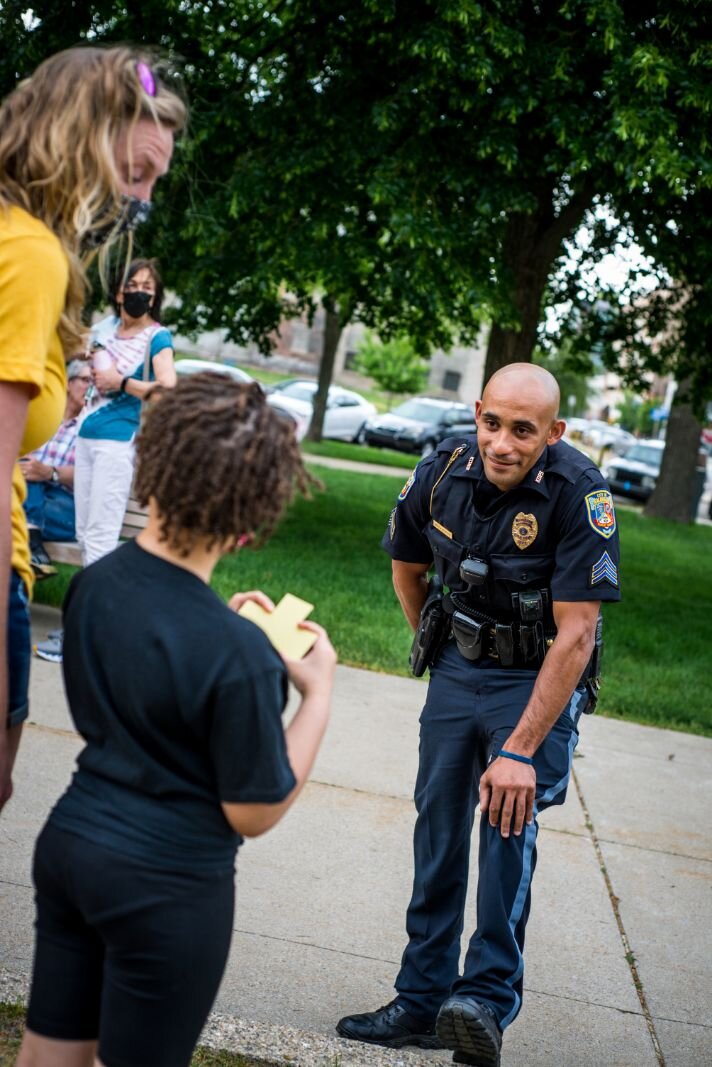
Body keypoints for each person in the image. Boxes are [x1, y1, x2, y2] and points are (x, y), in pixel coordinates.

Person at [17, 373, 336, 1067]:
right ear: (250, 523)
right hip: (166, 885)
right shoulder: (242, 655)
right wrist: (317, 694)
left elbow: (148, 673)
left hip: (71, 845)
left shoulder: (93, 587)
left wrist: (226, 630)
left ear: (151, 466)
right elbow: (253, 809)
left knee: (46, 1058)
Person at [337, 364, 621, 1067]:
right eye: (491, 422)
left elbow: (578, 633)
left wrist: (521, 749)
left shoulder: (578, 492)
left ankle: (484, 1002)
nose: (500, 442)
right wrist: (438, 649)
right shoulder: (441, 470)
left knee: (504, 825)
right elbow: (406, 564)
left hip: (536, 679)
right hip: (459, 671)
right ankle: (421, 999)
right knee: (436, 824)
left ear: (553, 432)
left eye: (522, 430)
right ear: (477, 412)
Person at [0, 45, 185, 813]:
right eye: (134, 172)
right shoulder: (34, 255)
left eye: (152, 184)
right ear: (81, 133)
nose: (136, 200)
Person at [75, 257, 176, 568]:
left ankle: (96, 614)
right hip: (85, 432)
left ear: (155, 296)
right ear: (118, 294)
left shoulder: (157, 337)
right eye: (131, 286)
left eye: (146, 287)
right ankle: (85, 610)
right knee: (83, 533)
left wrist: (122, 382)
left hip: (117, 440)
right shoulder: (103, 331)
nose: (138, 293)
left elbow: (167, 388)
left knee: (100, 536)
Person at [19, 359, 92, 578]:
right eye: (86, 380)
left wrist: (49, 472)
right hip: (29, 497)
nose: (91, 388)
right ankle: (31, 540)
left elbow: (92, 476)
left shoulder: (92, 426)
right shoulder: (43, 417)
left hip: (65, 508)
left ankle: (30, 534)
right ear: (68, 383)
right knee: (26, 472)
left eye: (94, 382)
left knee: (10, 515)